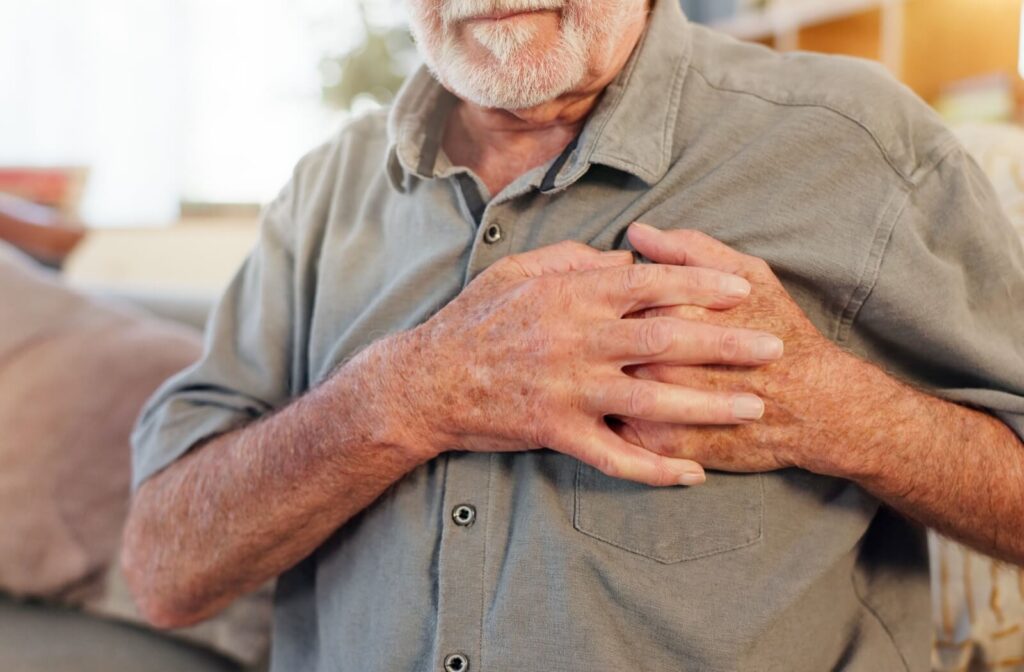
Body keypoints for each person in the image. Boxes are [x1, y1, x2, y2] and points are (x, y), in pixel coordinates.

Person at [122, 0, 1024, 669]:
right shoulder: (323, 191)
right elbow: (166, 569)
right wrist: (402, 396)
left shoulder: (858, 140)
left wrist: (834, 412)